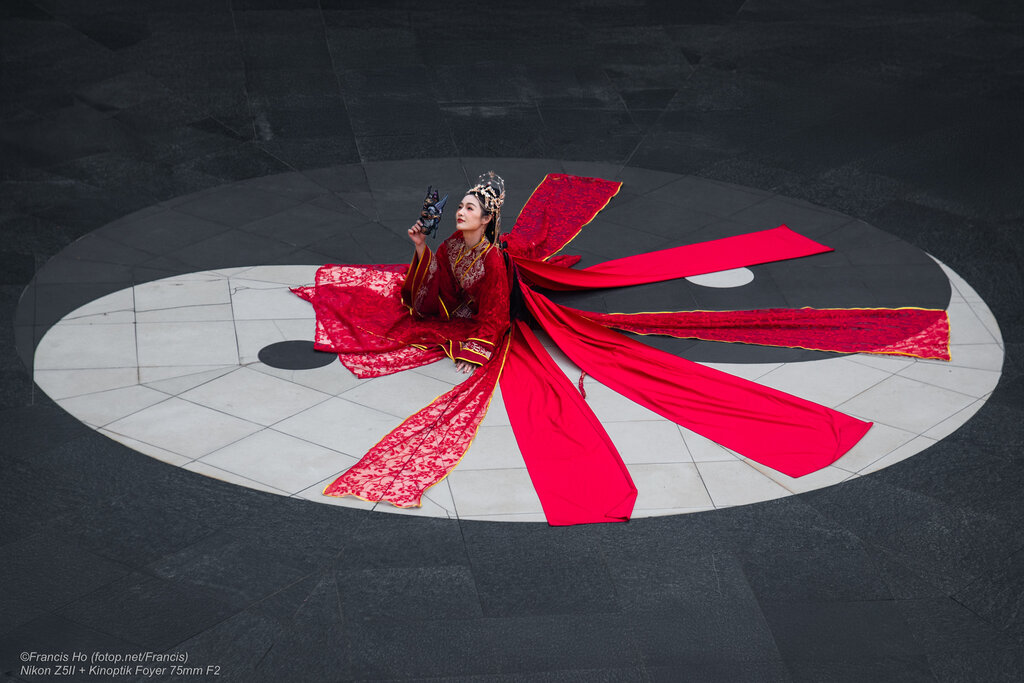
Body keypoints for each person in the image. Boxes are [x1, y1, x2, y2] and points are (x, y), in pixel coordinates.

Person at [402, 171, 510, 374]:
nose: (461, 212)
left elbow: (495, 314)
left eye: (469, 208)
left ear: (486, 218)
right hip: (460, 311)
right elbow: (437, 278)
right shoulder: (453, 243)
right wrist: (420, 245)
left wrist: (476, 350)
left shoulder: (492, 260)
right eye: (460, 207)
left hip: (480, 313)